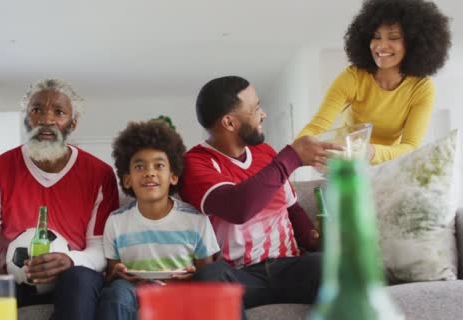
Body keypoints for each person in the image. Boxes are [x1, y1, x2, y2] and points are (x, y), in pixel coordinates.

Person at [0, 78, 120, 320]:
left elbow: (98, 249)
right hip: (13, 279)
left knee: (79, 280)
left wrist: (69, 260)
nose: (46, 120)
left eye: (59, 112)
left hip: (74, 278)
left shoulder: (100, 174)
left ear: (72, 123)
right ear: (26, 119)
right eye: (36, 110)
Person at [180, 76, 342, 317]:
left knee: (337, 266)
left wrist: (314, 239)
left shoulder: (265, 153)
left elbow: (292, 208)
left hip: (289, 267)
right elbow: (238, 208)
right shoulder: (195, 163)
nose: (263, 114)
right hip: (239, 276)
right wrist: (293, 156)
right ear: (229, 122)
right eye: (255, 108)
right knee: (209, 278)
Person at [297, 0, 451, 164]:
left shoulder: (422, 88)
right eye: (376, 37)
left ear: (414, 43)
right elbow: (317, 127)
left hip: (388, 166)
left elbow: (410, 146)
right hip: (346, 163)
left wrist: (370, 151)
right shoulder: (353, 77)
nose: (381, 46)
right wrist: (298, 149)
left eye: (393, 37)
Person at [97, 120, 221, 320]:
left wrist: (192, 277)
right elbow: (113, 273)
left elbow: (207, 274)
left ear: (173, 176)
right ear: (127, 179)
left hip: (181, 292)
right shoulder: (116, 221)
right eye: (139, 166)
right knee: (116, 292)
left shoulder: (196, 220)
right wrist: (117, 274)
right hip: (133, 292)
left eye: (159, 165)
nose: (149, 172)